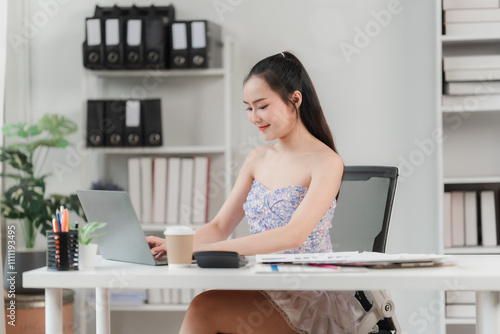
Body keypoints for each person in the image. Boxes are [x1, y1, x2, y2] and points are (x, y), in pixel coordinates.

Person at [146, 51, 366, 334]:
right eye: (248, 108)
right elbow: (220, 226)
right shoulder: (257, 158)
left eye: (261, 106)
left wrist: (201, 251)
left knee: (203, 309)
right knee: (203, 305)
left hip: (309, 297)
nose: (253, 117)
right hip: (265, 286)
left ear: (295, 100)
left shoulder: (326, 162)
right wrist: (175, 246)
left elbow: (293, 235)